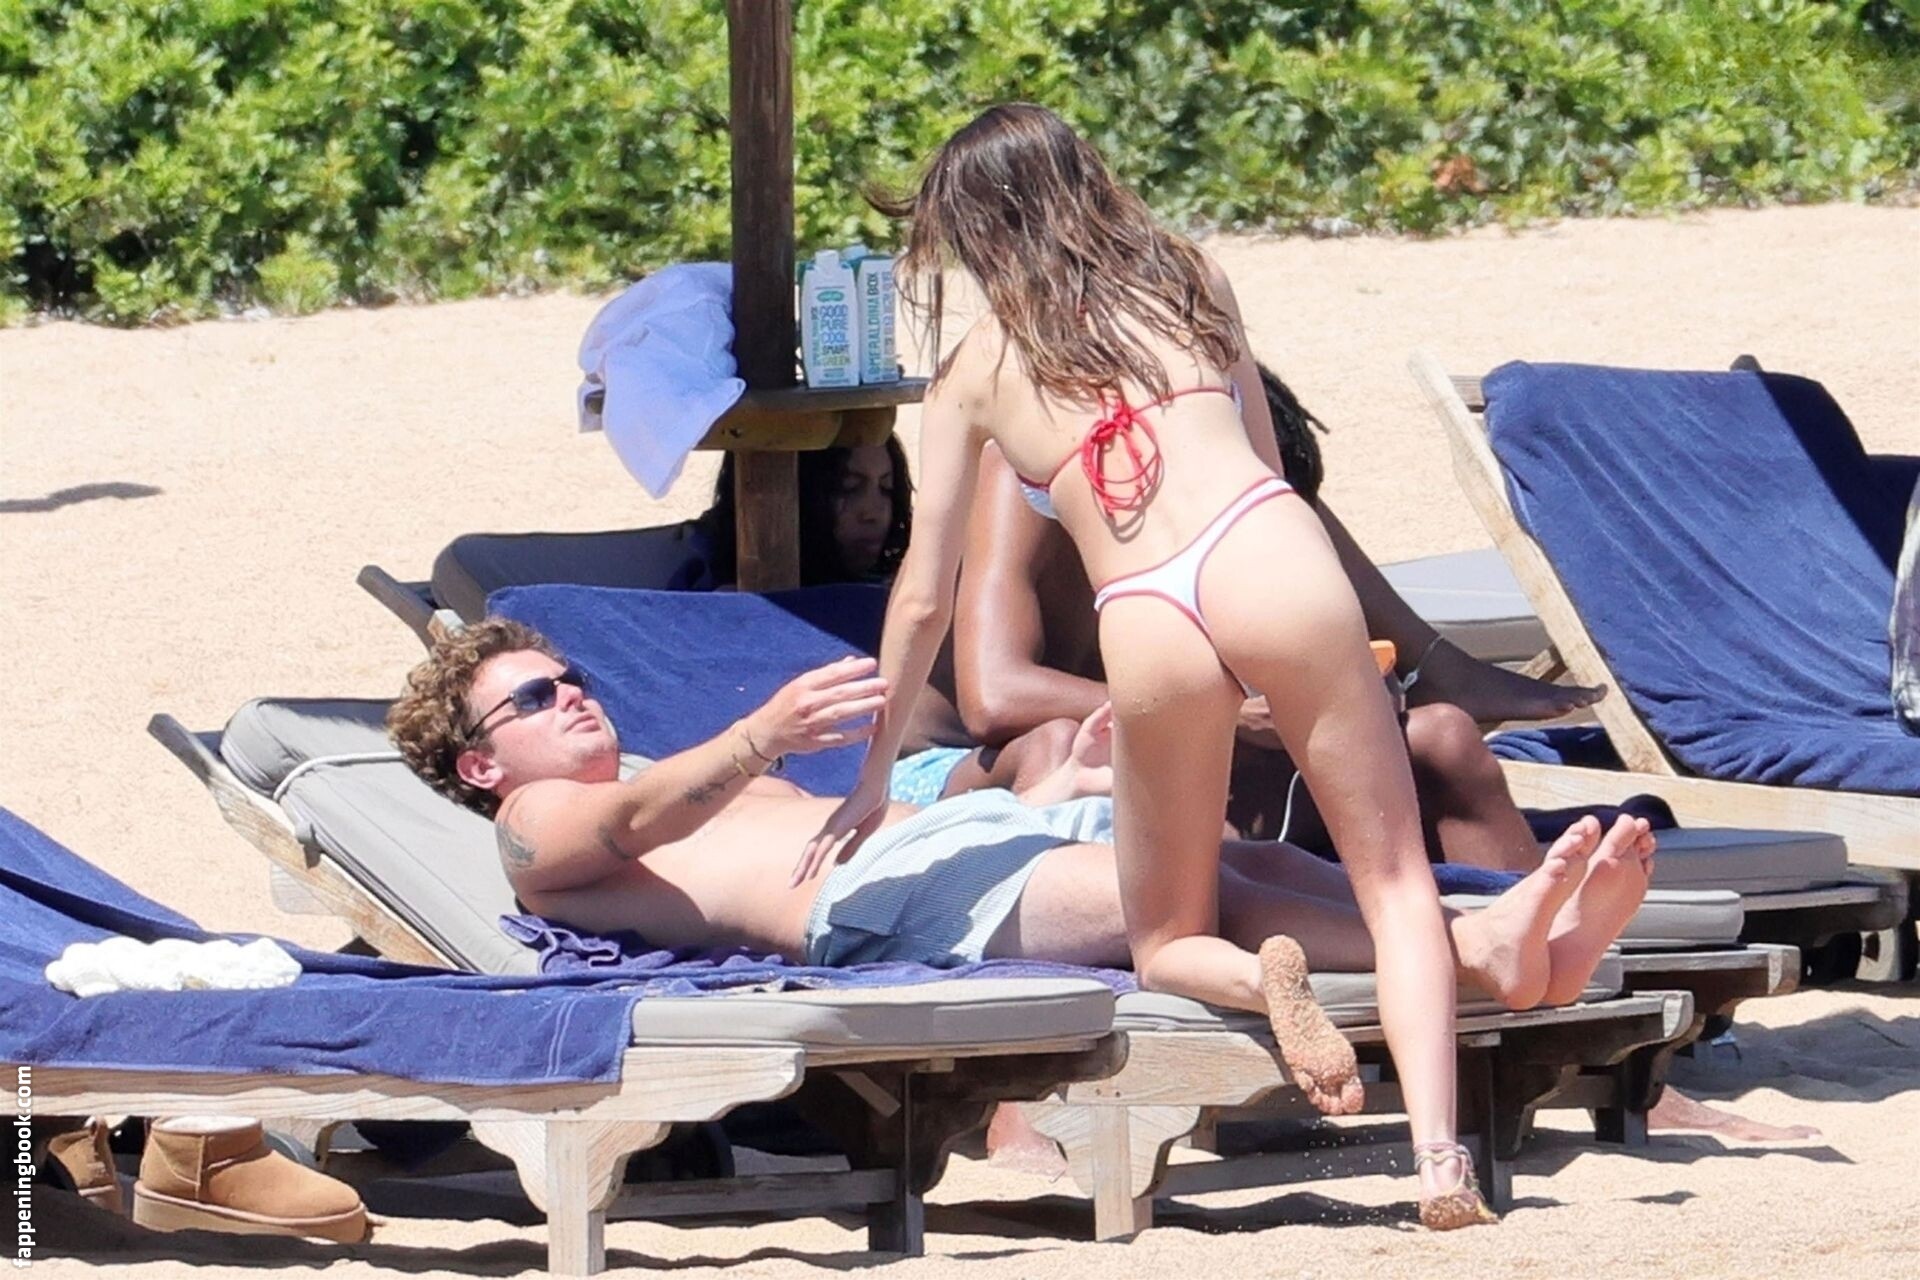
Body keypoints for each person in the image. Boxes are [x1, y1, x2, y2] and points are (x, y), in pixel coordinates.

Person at [788, 104, 1643, 1227]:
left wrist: (871, 773)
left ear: (974, 231)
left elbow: (920, 597)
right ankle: (1441, 1165)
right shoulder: (1188, 275)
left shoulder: (972, 371)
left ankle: (1259, 971)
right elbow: (1267, 460)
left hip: (1144, 610)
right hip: (1263, 549)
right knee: (1394, 885)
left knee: (1164, 939)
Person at [386, 619, 1651, 1091]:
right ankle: (1474, 948)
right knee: (1198, 889)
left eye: (569, 677)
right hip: (881, 903)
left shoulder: (678, 769)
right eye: (534, 698)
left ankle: (1483, 932)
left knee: (1241, 861)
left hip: (958, 844)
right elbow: (626, 828)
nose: (572, 696)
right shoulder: (531, 825)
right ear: (481, 763)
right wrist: (758, 732)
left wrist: (1062, 781)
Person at [952, 363, 1605, 869]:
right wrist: (1226, 711)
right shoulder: (1029, 472)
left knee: (1443, 738)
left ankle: (1532, 950)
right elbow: (994, 697)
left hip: (1175, 734)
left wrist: (1342, 687)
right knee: (1073, 750)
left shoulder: (1231, 479)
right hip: (993, 765)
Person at [694, 436, 1086, 806]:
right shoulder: (1025, 475)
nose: (871, 510)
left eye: (886, 489)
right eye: (848, 489)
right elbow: (996, 699)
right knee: (1058, 744)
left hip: (1025, 747)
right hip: (934, 766)